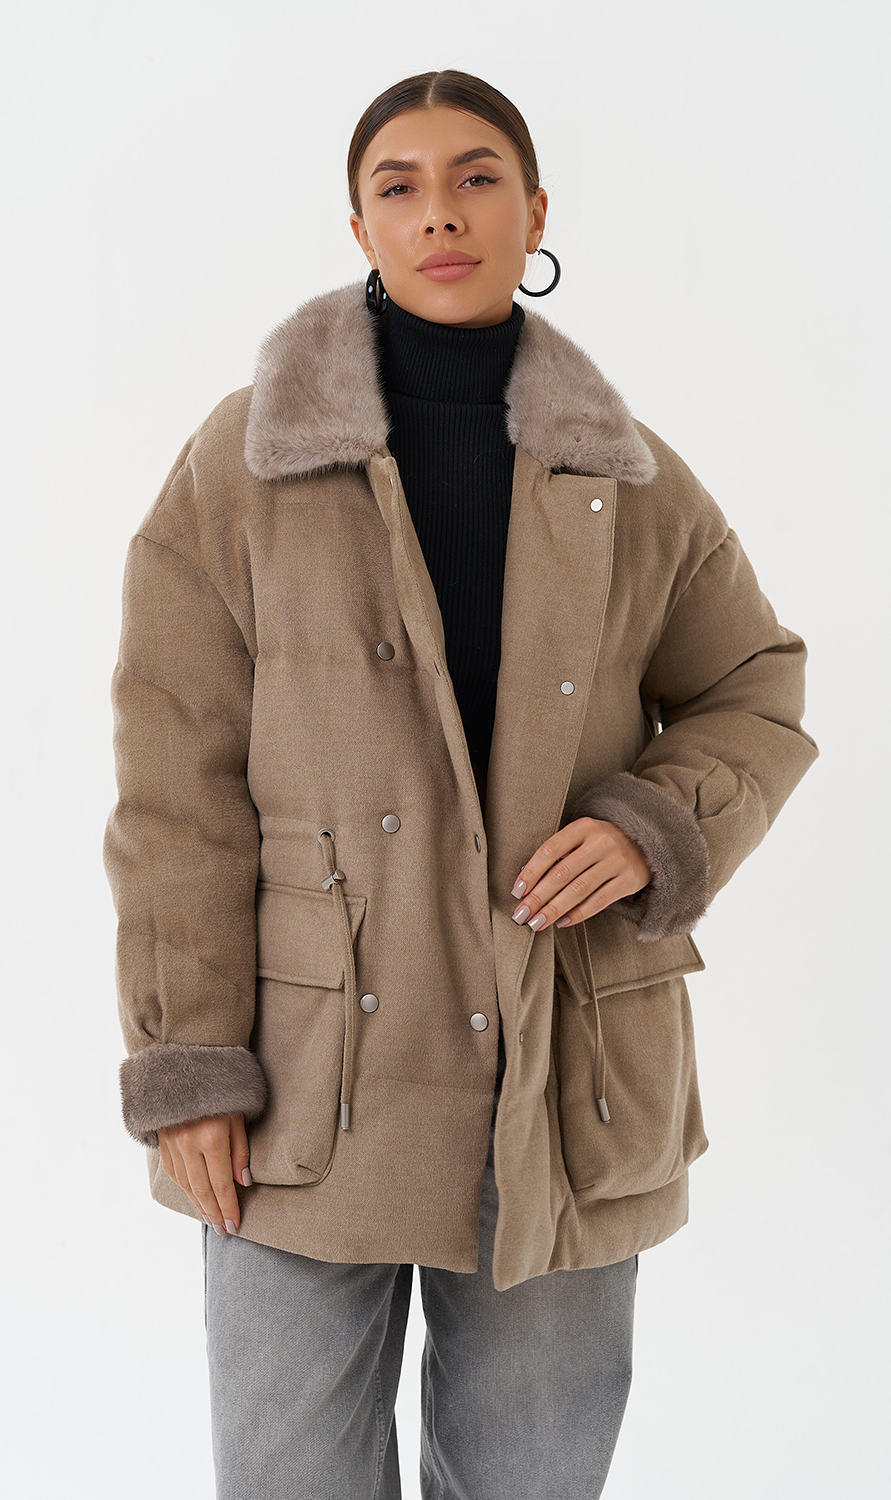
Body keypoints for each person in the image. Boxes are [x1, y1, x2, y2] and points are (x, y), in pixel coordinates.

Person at [103, 68, 818, 1500]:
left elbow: (756, 684)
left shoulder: (631, 478)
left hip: (563, 1075)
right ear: (359, 226)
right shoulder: (241, 470)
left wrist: (652, 827)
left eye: (478, 177)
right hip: (311, 1082)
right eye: (402, 185)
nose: (442, 212)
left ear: (535, 212)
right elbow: (175, 789)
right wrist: (189, 1068)